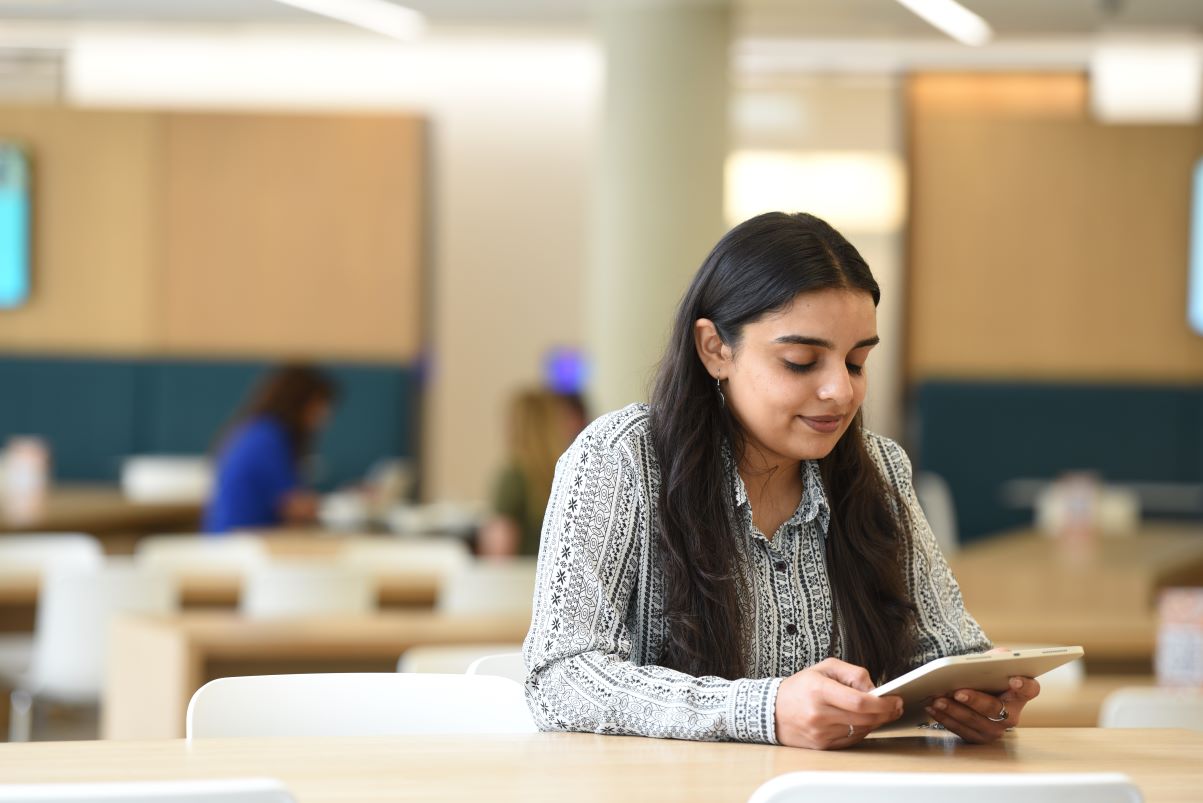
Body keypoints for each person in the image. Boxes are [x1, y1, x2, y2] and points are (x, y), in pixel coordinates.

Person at [522, 212, 1039, 749]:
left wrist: (976, 700)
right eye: (800, 362)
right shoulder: (620, 458)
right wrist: (763, 710)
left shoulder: (880, 469)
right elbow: (559, 678)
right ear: (715, 349)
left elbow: (942, 650)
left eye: (857, 362)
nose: (841, 391)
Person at [202, 364, 337, 533]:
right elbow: (296, 506)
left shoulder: (257, 430)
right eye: (319, 408)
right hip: (238, 544)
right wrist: (343, 506)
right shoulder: (268, 438)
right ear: (300, 402)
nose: (323, 417)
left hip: (240, 539)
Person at [478, 388, 583, 557]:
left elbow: (500, 547)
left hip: (518, 580)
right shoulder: (569, 474)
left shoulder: (513, 476)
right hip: (553, 578)